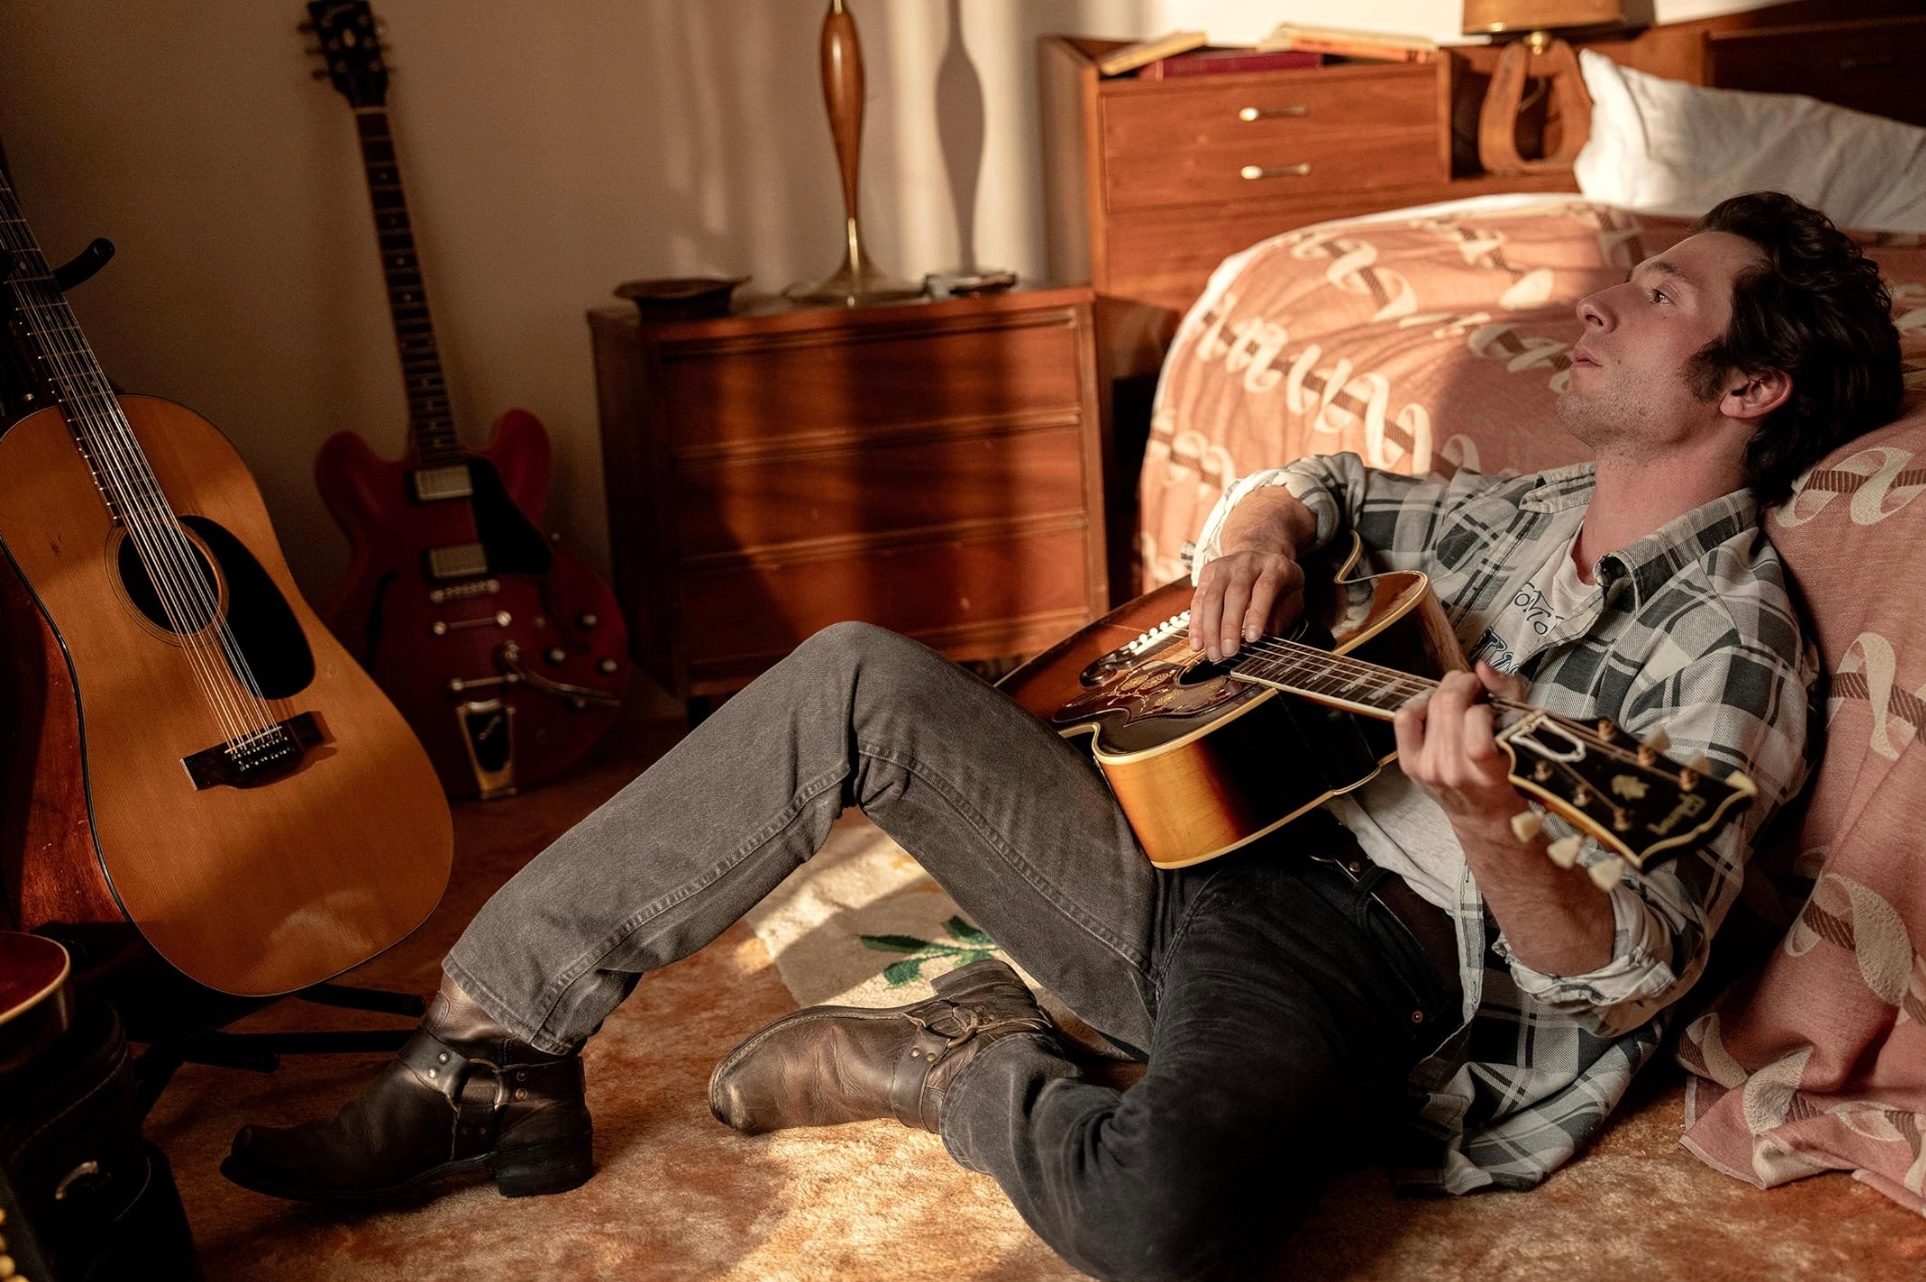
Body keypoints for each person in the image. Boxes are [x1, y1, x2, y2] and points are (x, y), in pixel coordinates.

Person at [223, 192, 1901, 1281]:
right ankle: (490, 1052)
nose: (1598, 301)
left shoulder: (1730, 647)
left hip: (1354, 963)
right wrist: (1260, 531)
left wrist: (1479, 820)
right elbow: (1322, 480)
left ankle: (957, 1057)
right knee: (857, 671)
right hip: (1196, 835)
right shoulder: (1514, 507)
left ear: (1747, 387)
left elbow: (1620, 977)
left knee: (1169, 1223)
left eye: (1655, 292)